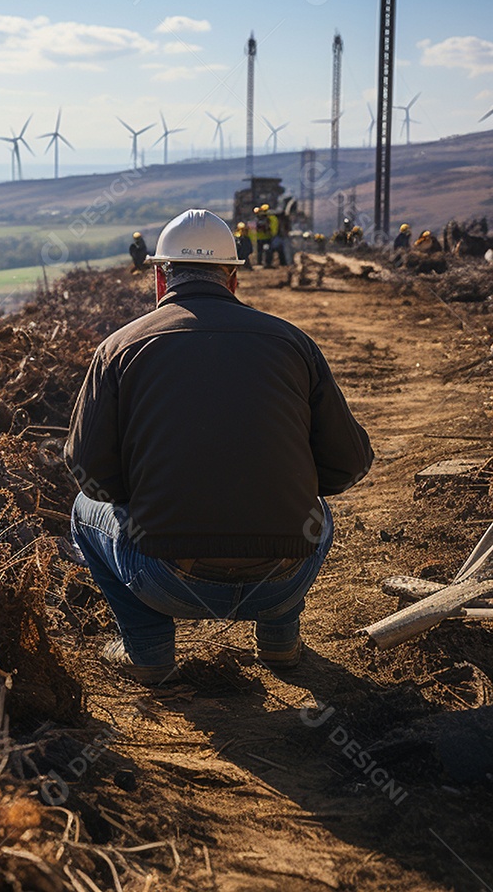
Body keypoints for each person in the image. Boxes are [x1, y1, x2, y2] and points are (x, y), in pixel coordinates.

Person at [65, 209, 373, 685]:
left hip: (166, 578)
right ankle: (280, 639)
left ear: (160, 278)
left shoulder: (119, 349)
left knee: (83, 512)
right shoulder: (294, 343)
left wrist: (142, 498)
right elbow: (348, 465)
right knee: (314, 512)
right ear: (233, 278)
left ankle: (148, 650)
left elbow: (87, 470)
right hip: (282, 579)